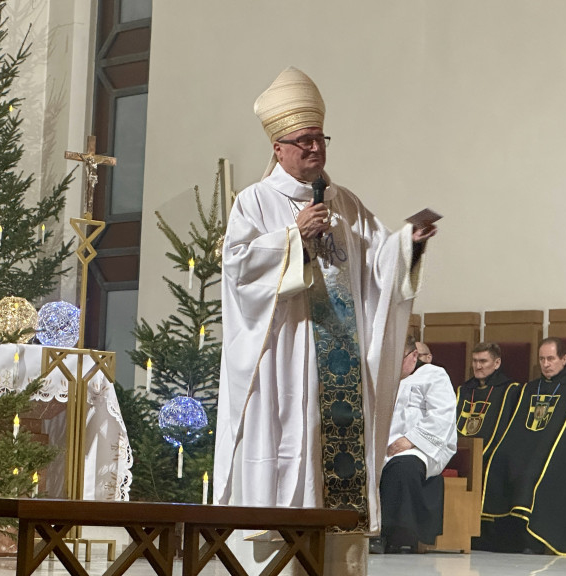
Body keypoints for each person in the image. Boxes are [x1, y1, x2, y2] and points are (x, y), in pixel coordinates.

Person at [214, 67, 437, 535]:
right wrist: (293, 238)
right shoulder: (254, 202)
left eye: (320, 138)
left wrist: (408, 245)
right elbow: (237, 270)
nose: (315, 148)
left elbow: (380, 268)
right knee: (289, 446)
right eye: (303, 141)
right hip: (286, 358)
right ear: (277, 148)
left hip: (340, 366)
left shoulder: (347, 204)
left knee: (331, 466)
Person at [477, 337, 566, 556]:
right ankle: (502, 536)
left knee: (532, 473)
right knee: (497, 461)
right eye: (542, 359)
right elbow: (518, 430)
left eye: (551, 358)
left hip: (559, 457)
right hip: (529, 452)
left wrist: (537, 455)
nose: (546, 364)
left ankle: (534, 538)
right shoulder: (531, 389)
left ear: (564, 359)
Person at [374, 338, 457, 554]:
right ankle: (367, 532)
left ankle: (397, 535)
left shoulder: (434, 376)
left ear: (413, 356)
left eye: (397, 360)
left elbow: (442, 415)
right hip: (384, 447)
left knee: (403, 467)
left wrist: (411, 439)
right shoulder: (382, 378)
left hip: (422, 447)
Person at [455, 342, 520, 466]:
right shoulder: (464, 390)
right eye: (474, 361)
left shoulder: (509, 391)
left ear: (497, 363)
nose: (477, 366)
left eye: (483, 361)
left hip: (492, 457)